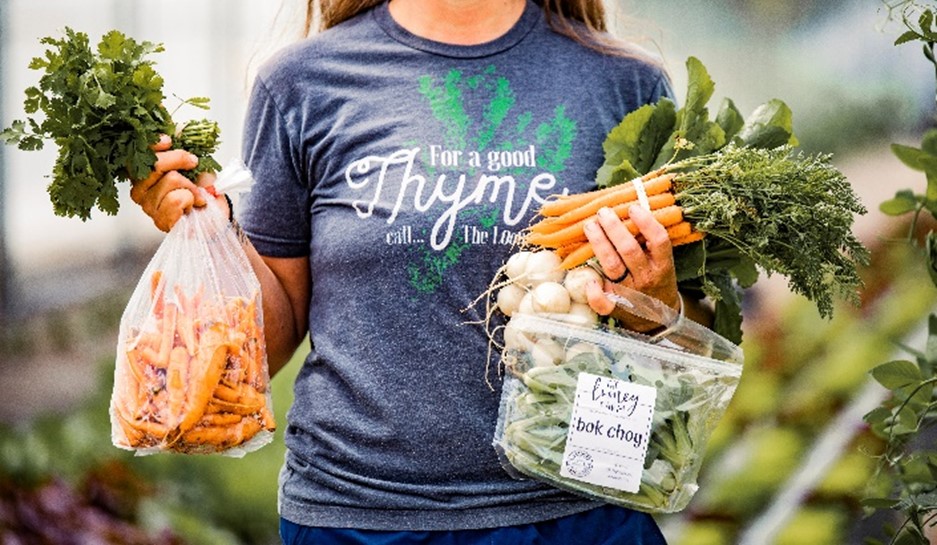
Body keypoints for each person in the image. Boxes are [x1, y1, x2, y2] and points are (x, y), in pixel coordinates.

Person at [130, 0, 690, 542]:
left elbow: (691, 337)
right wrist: (206, 224)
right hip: (360, 514)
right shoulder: (302, 84)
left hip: (577, 510)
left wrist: (651, 302)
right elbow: (268, 343)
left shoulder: (627, 84)